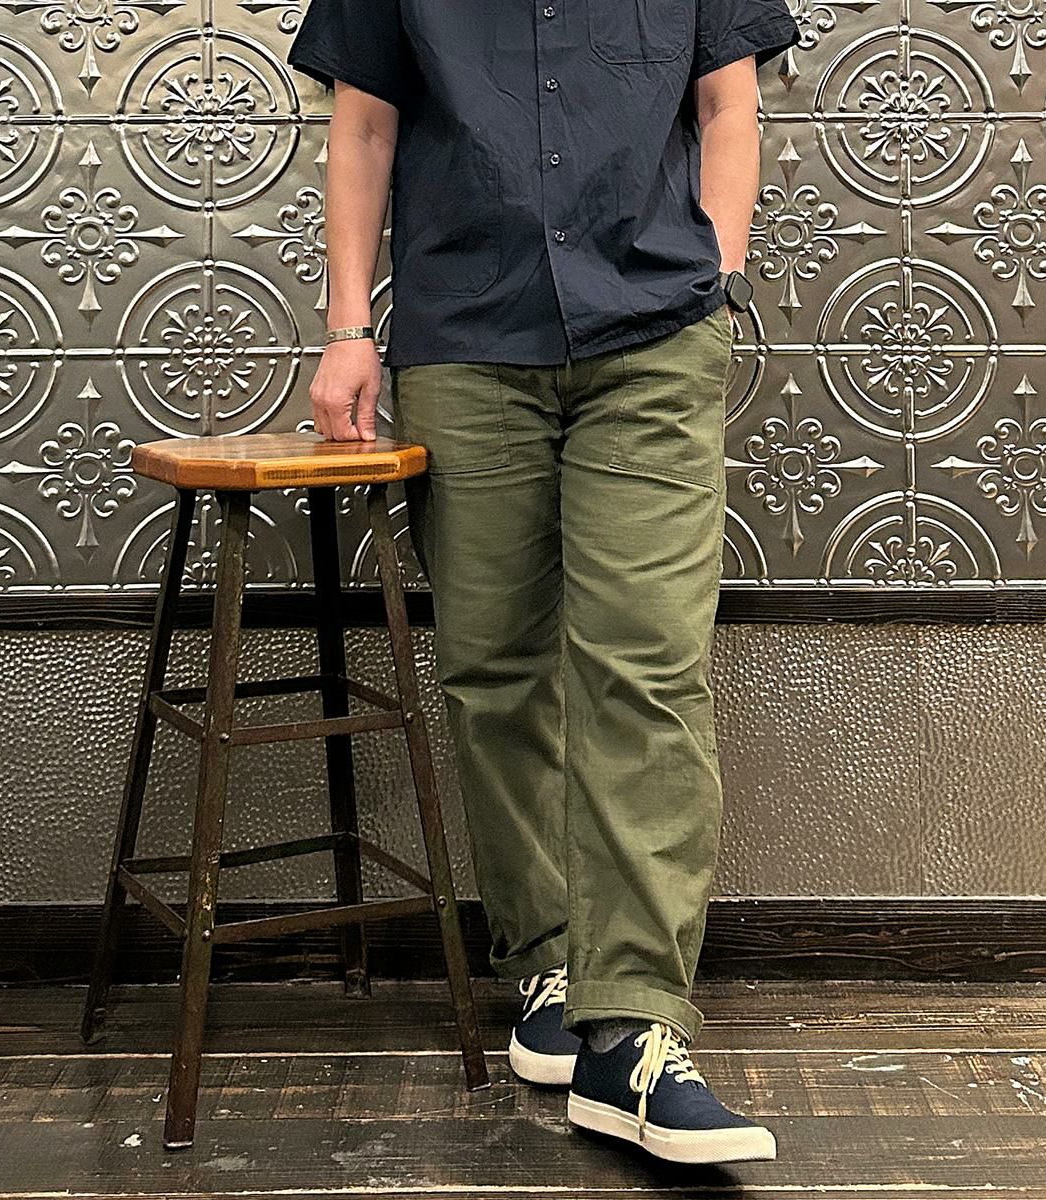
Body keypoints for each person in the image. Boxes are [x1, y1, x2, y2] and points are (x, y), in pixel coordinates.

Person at [286, 0, 800, 1166]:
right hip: (467, 337)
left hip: (653, 334)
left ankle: (636, 1028)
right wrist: (348, 328)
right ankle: (550, 964)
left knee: (648, 666)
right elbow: (363, 126)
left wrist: (716, 276)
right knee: (494, 665)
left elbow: (729, 103)